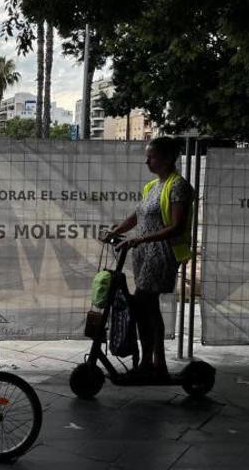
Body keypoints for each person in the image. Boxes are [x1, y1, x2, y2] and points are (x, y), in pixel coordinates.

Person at [108, 137, 193, 379]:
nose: (147, 161)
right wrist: (116, 231)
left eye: (152, 157)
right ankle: (156, 364)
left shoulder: (178, 186)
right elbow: (137, 215)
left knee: (142, 303)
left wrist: (140, 240)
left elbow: (176, 226)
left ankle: (149, 364)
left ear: (166, 159)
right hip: (144, 253)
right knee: (148, 308)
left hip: (163, 253)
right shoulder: (153, 186)